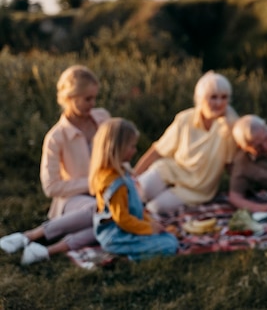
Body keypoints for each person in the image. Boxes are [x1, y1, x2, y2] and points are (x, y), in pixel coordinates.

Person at [0, 65, 111, 265]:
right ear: (70, 97)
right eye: (87, 99)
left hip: (106, 192)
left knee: (111, 219)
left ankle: (42, 250)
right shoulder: (55, 137)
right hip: (72, 200)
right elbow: (51, 187)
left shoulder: (103, 118)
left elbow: (117, 156)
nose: (93, 104)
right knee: (103, 212)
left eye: (95, 98)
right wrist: (93, 183)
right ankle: (31, 236)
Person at [133, 70, 238, 215]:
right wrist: (133, 176)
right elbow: (157, 151)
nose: (219, 103)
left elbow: (231, 165)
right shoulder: (185, 119)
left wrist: (239, 195)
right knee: (135, 192)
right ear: (201, 99)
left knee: (155, 209)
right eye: (213, 97)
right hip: (171, 171)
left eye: (224, 97)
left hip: (196, 189)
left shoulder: (230, 126)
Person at [89, 118, 178, 261]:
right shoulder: (115, 183)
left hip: (130, 228)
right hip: (118, 236)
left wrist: (151, 223)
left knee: (168, 237)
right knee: (169, 245)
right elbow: (123, 220)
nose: (135, 150)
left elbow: (134, 210)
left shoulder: (121, 172)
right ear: (117, 148)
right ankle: (124, 258)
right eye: (131, 146)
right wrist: (149, 229)